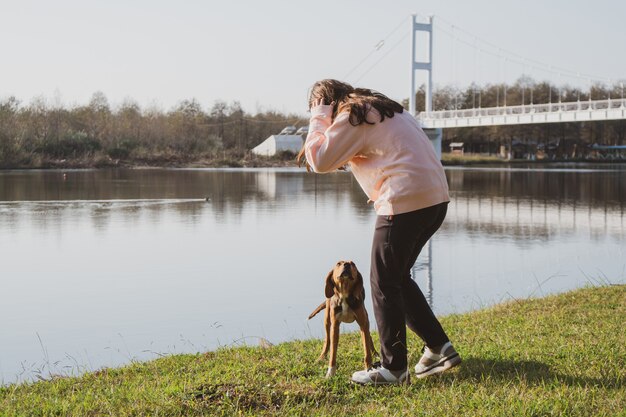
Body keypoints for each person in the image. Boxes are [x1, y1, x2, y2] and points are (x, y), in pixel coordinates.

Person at [298, 79, 461, 385]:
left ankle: (394, 368)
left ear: (329, 102)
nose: (318, 113)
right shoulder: (382, 109)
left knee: (382, 281)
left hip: (404, 199)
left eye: (319, 105)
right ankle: (439, 347)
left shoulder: (352, 114)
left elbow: (318, 160)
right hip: (435, 200)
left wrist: (319, 116)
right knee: (396, 277)